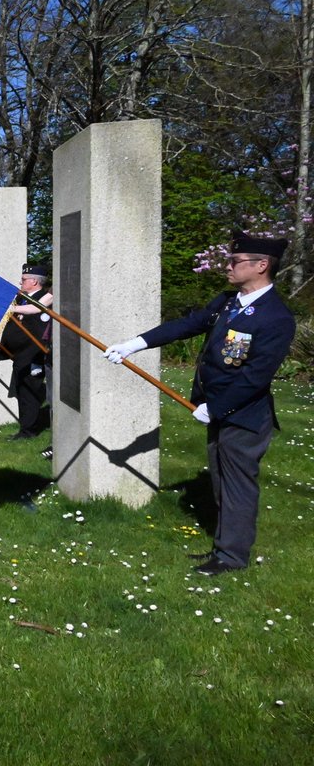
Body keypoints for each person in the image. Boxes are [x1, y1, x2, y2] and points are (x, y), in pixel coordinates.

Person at [104, 234, 295, 577]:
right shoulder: (227, 301)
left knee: (237, 485)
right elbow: (187, 325)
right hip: (220, 410)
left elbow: (255, 376)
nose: (228, 266)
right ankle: (224, 547)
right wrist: (136, 344)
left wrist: (216, 408)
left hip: (244, 416)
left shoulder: (276, 317)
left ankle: (232, 557)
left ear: (262, 266)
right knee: (221, 481)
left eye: (236, 261)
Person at [0, 264, 53, 440]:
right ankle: (25, 428)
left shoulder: (46, 297)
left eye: (24, 280)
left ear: (34, 281)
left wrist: (9, 309)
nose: (20, 282)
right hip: (19, 355)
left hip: (33, 354)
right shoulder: (21, 298)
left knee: (29, 393)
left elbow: (35, 311)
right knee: (22, 392)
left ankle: (28, 431)